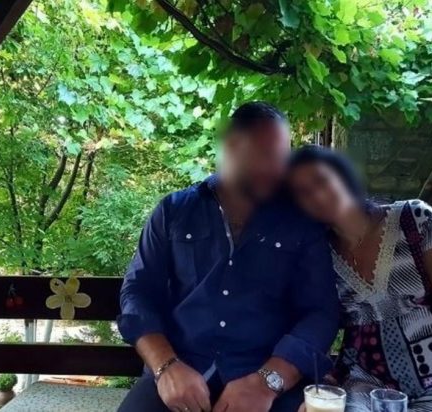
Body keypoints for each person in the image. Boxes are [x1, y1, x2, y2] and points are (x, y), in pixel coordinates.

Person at [117, 103, 340, 412]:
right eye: (265, 155)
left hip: (267, 380)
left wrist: (268, 381)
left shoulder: (301, 223)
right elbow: (137, 292)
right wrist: (165, 366)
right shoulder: (174, 212)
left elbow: (321, 312)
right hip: (179, 373)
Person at [287, 145, 432, 412]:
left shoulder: (414, 221)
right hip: (364, 386)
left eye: (321, 180)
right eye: (303, 193)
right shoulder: (319, 255)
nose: (317, 195)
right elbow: (317, 324)